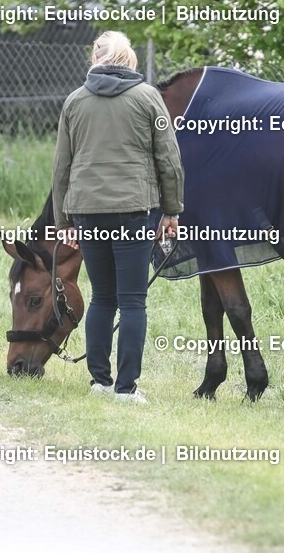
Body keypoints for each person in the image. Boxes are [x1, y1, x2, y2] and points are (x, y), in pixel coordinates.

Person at [52, 31, 184, 403]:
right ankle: (126, 389)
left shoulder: (75, 102)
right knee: (132, 300)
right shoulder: (148, 98)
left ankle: (99, 383)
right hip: (135, 212)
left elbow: (61, 166)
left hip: (87, 212)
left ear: (94, 59)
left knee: (101, 298)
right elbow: (169, 158)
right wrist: (172, 210)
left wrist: (65, 223)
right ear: (130, 60)